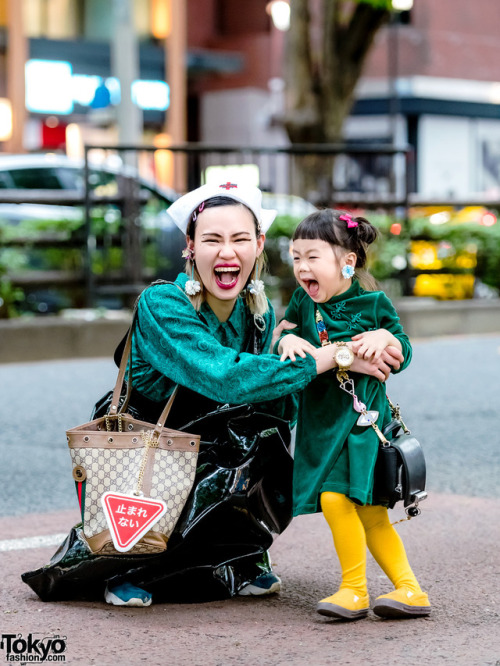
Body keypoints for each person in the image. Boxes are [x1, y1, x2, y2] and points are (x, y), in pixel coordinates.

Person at [21, 183, 403, 607]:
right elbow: (224, 376)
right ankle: (136, 568)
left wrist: (353, 356)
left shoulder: (258, 313)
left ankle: (238, 557)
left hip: (221, 437)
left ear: (258, 246)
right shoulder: (162, 302)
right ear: (190, 246)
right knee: (192, 484)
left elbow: (275, 392)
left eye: (240, 239)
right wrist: (332, 356)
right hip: (152, 439)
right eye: (212, 239)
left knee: (271, 442)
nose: (227, 252)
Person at [276, 208, 431, 620]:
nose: (302, 268)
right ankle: (409, 590)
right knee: (365, 510)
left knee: (342, 500)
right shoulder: (302, 301)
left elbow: (402, 351)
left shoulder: (374, 303)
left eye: (312, 257)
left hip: (363, 424)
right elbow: (283, 331)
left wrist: (385, 337)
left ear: (347, 262)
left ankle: (356, 590)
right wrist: (287, 339)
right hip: (322, 423)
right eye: (295, 257)